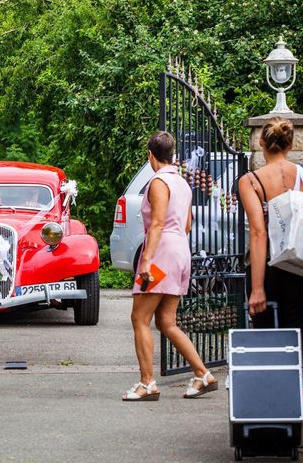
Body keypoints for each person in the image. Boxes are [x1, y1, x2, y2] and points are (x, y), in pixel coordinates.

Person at [238, 117, 303, 445]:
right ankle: (301, 403)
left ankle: (272, 413)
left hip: (271, 270)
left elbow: (259, 233)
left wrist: (257, 287)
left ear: (261, 144)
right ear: (290, 145)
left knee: (269, 344)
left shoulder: (253, 181)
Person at [123, 131, 218, 401]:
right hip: (180, 251)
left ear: (151, 155)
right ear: (172, 154)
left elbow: (157, 223)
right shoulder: (183, 183)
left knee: (139, 318)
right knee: (166, 321)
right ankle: (202, 374)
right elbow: (187, 224)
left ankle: (147, 383)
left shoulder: (158, 181)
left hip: (160, 254)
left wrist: (148, 260)